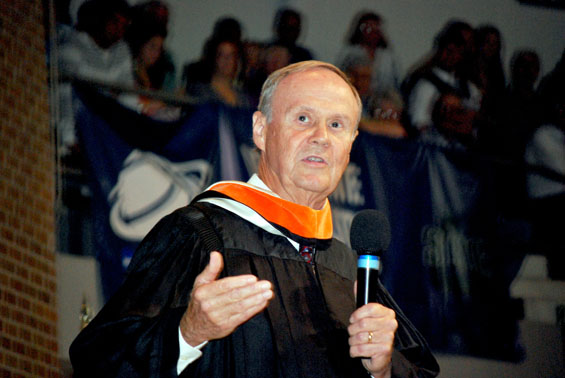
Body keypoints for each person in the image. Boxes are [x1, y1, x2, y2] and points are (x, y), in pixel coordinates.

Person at [69, 61, 439, 377]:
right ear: (260, 130)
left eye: (337, 125)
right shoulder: (201, 233)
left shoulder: (350, 269)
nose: (321, 138)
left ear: (351, 146)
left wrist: (385, 367)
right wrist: (188, 332)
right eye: (303, 118)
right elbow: (99, 360)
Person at [402, 20, 481, 147]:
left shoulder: (470, 88)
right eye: (448, 51)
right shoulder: (425, 83)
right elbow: (418, 124)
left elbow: (473, 124)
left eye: (457, 52)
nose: (450, 56)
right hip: (432, 150)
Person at [337, 11, 401, 96]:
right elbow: (341, 78)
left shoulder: (388, 57)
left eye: (375, 29)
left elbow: (395, 84)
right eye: (368, 28)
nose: (372, 33)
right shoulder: (350, 53)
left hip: (382, 101)